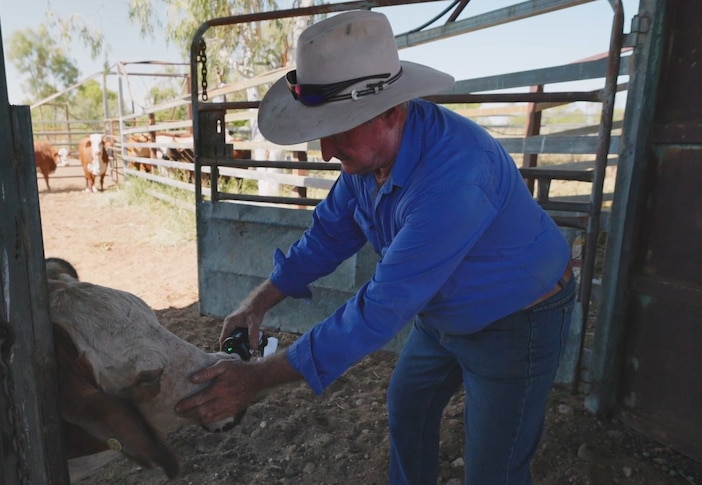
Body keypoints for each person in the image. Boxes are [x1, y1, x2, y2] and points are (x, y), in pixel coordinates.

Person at [175, 9, 575, 485]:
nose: (325, 151)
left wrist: (258, 378)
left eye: (338, 129)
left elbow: (379, 309)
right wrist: (257, 304)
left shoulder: (457, 176)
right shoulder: (366, 164)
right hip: (440, 312)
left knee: (494, 467)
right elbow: (326, 237)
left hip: (515, 317)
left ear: (390, 110)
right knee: (407, 406)